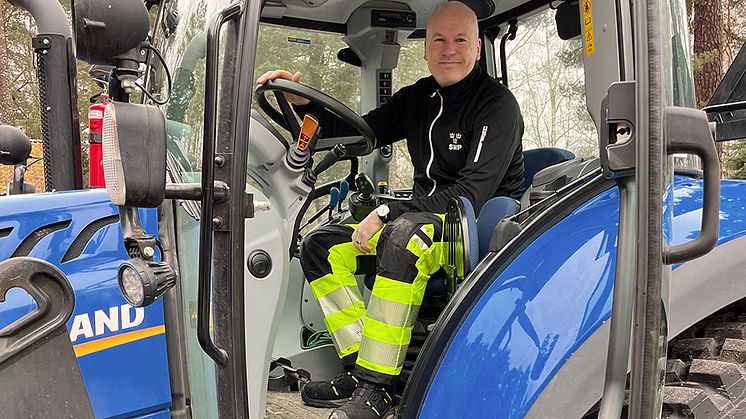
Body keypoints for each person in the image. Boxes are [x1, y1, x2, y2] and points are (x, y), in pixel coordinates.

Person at [257, 2, 524, 418]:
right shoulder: (417, 98)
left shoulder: (497, 105)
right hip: (419, 219)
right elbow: (355, 130)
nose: (448, 49)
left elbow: (470, 193)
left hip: (466, 231)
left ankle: (379, 389)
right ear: (425, 47)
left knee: (402, 237)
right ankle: (362, 365)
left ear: (475, 48)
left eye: (460, 40)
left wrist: (386, 212)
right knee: (320, 246)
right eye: (439, 39)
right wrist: (302, 106)